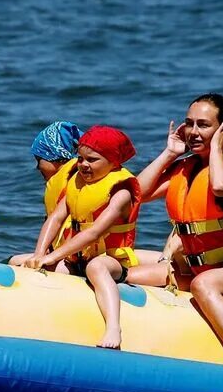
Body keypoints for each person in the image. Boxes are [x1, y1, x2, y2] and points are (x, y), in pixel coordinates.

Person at [126, 95, 223, 366]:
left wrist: (217, 149)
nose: (193, 132)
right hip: (203, 269)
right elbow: (136, 193)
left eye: (203, 125)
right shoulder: (185, 167)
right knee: (131, 275)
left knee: (204, 284)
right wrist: (170, 153)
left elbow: (221, 186)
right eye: (189, 124)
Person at [16, 125, 141, 349]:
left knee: (96, 267)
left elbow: (94, 232)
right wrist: (39, 254)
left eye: (92, 160)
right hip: (76, 260)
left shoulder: (120, 192)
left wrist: (53, 257)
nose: (83, 165)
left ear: (113, 162)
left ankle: (113, 326)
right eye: (80, 159)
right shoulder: (76, 184)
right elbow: (55, 218)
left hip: (110, 259)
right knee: (19, 262)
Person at [26, 121, 83, 259]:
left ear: (56, 156)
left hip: (76, 260)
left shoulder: (77, 184)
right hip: (62, 256)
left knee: (13, 261)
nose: (37, 167)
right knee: (13, 260)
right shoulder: (71, 178)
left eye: (40, 159)